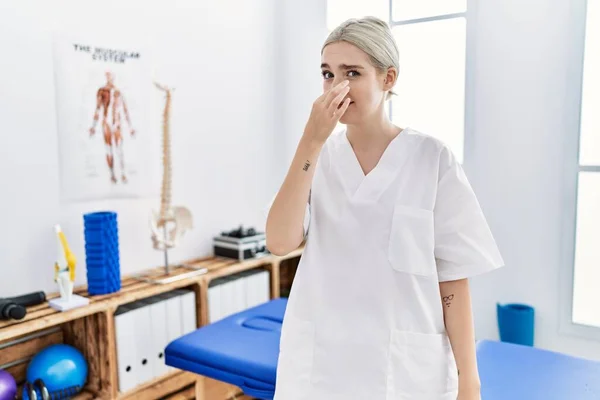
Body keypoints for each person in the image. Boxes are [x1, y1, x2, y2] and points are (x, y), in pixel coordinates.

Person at [266, 16, 504, 400]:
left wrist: (469, 381)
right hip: (320, 366)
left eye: (352, 72)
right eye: (327, 74)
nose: (336, 86)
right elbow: (279, 241)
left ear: (388, 78)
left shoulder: (431, 159)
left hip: (403, 374)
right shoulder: (317, 158)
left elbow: (453, 280)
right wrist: (311, 140)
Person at [89, 71, 135, 184]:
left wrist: (130, 127)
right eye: (108, 75)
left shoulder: (119, 92)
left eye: (111, 75)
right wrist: (93, 126)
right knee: (109, 150)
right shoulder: (102, 91)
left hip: (117, 123)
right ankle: (112, 175)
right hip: (106, 124)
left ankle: (123, 173)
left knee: (119, 149)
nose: (110, 77)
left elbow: (125, 110)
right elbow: (98, 108)